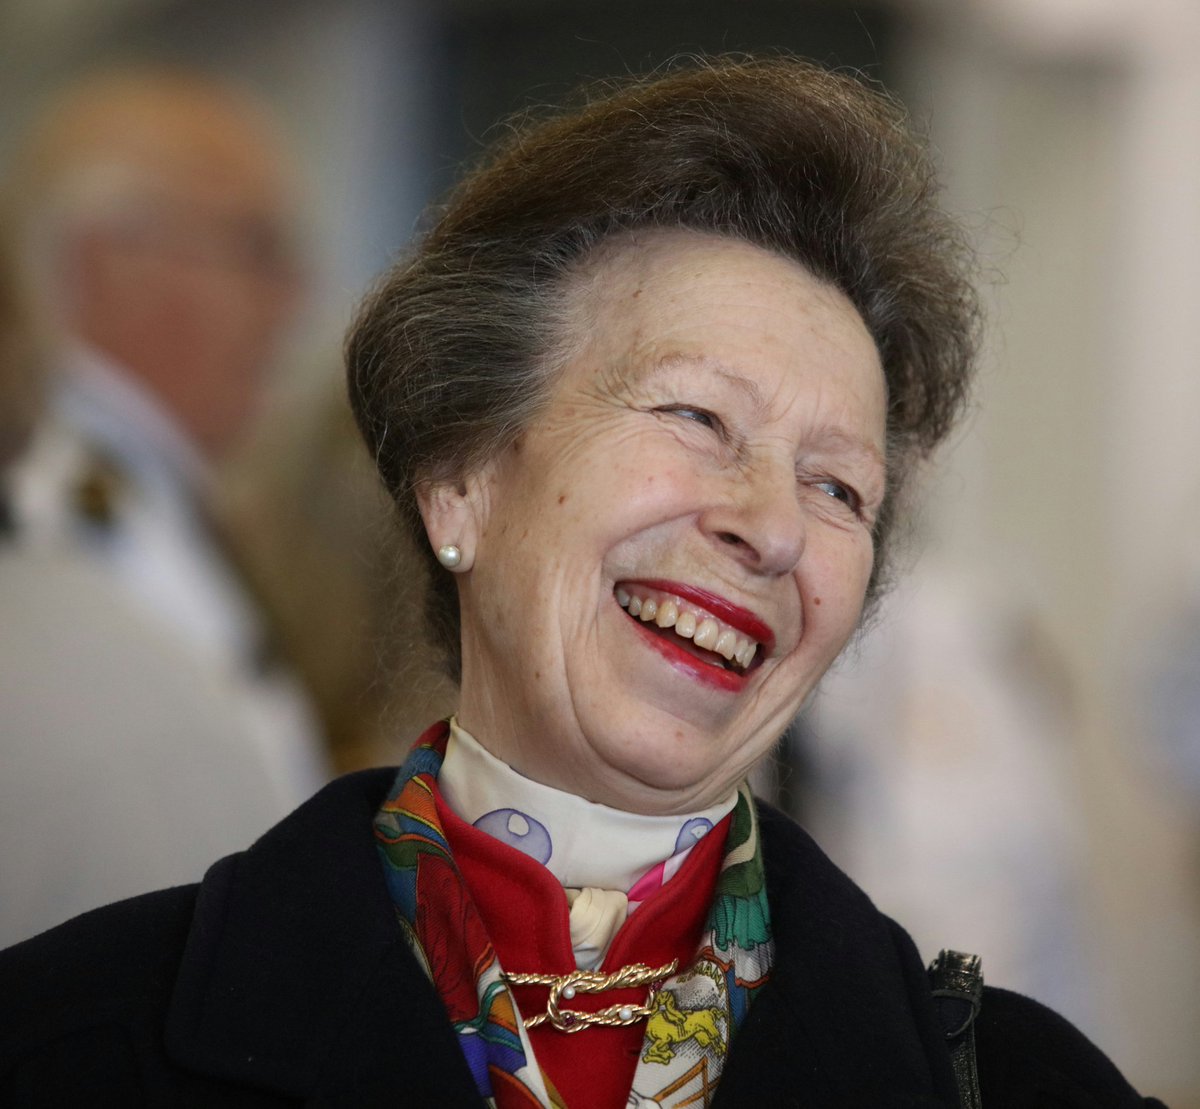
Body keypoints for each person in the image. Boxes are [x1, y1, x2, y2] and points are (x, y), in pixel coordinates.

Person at [0, 57, 1164, 1106]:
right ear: (461, 479)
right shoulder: (73, 1041)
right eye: (697, 415)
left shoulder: (1019, 1084)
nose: (767, 526)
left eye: (838, 488)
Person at [0, 72, 328, 948]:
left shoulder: (149, 500)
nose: (295, 300)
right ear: (105, 263)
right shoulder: (48, 514)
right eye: (256, 247)